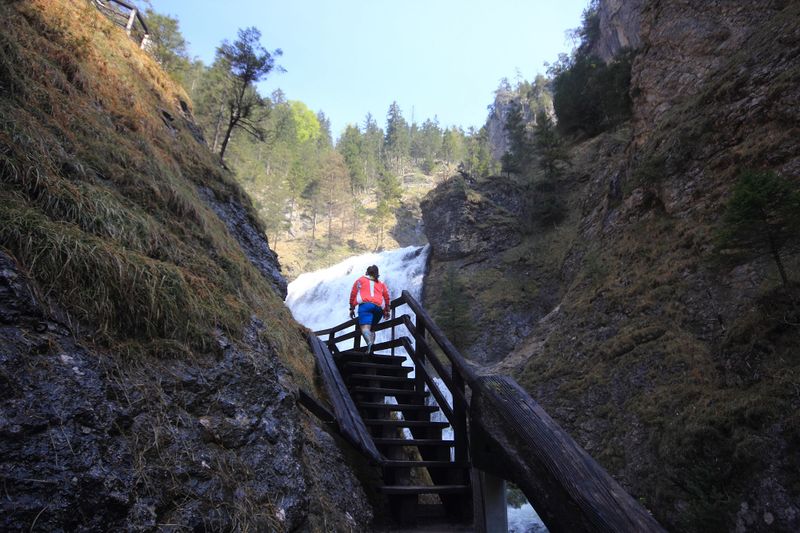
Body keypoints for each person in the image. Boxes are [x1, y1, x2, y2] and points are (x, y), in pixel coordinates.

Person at [349, 265, 391, 353]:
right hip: (378, 308)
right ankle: (372, 348)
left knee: (365, 328)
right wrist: (387, 309)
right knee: (372, 329)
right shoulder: (381, 283)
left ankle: (369, 343)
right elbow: (387, 297)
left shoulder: (360, 280)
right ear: (377, 273)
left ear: (367, 272)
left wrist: (352, 308)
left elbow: (353, 293)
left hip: (365, 306)